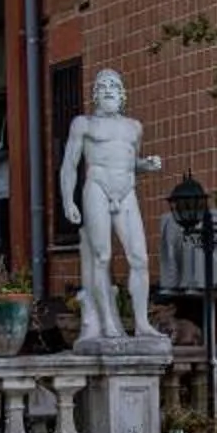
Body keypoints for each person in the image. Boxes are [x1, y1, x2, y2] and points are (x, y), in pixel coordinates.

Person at [58, 69, 162, 341]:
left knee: (139, 257)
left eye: (114, 87)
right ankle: (107, 321)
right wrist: (68, 199)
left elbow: (129, 162)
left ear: (122, 94)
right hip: (97, 188)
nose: (108, 90)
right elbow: (70, 164)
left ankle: (142, 323)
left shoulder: (133, 127)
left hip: (126, 191)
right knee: (101, 256)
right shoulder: (84, 124)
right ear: (95, 95)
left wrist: (146, 165)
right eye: (102, 86)